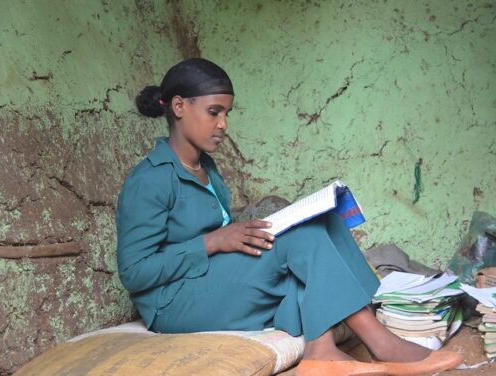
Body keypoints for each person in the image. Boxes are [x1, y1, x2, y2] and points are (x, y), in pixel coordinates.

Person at [116, 58, 463, 375]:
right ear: (179, 107)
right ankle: (380, 343)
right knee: (302, 242)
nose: (223, 124)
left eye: (227, 114)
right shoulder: (150, 179)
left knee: (320, 224)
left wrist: (231, 238)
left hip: (209, 281)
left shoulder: (207, 168)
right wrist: (211, 241)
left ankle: (321, 350)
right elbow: (135, 273)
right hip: (173, 304)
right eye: (214, 112)